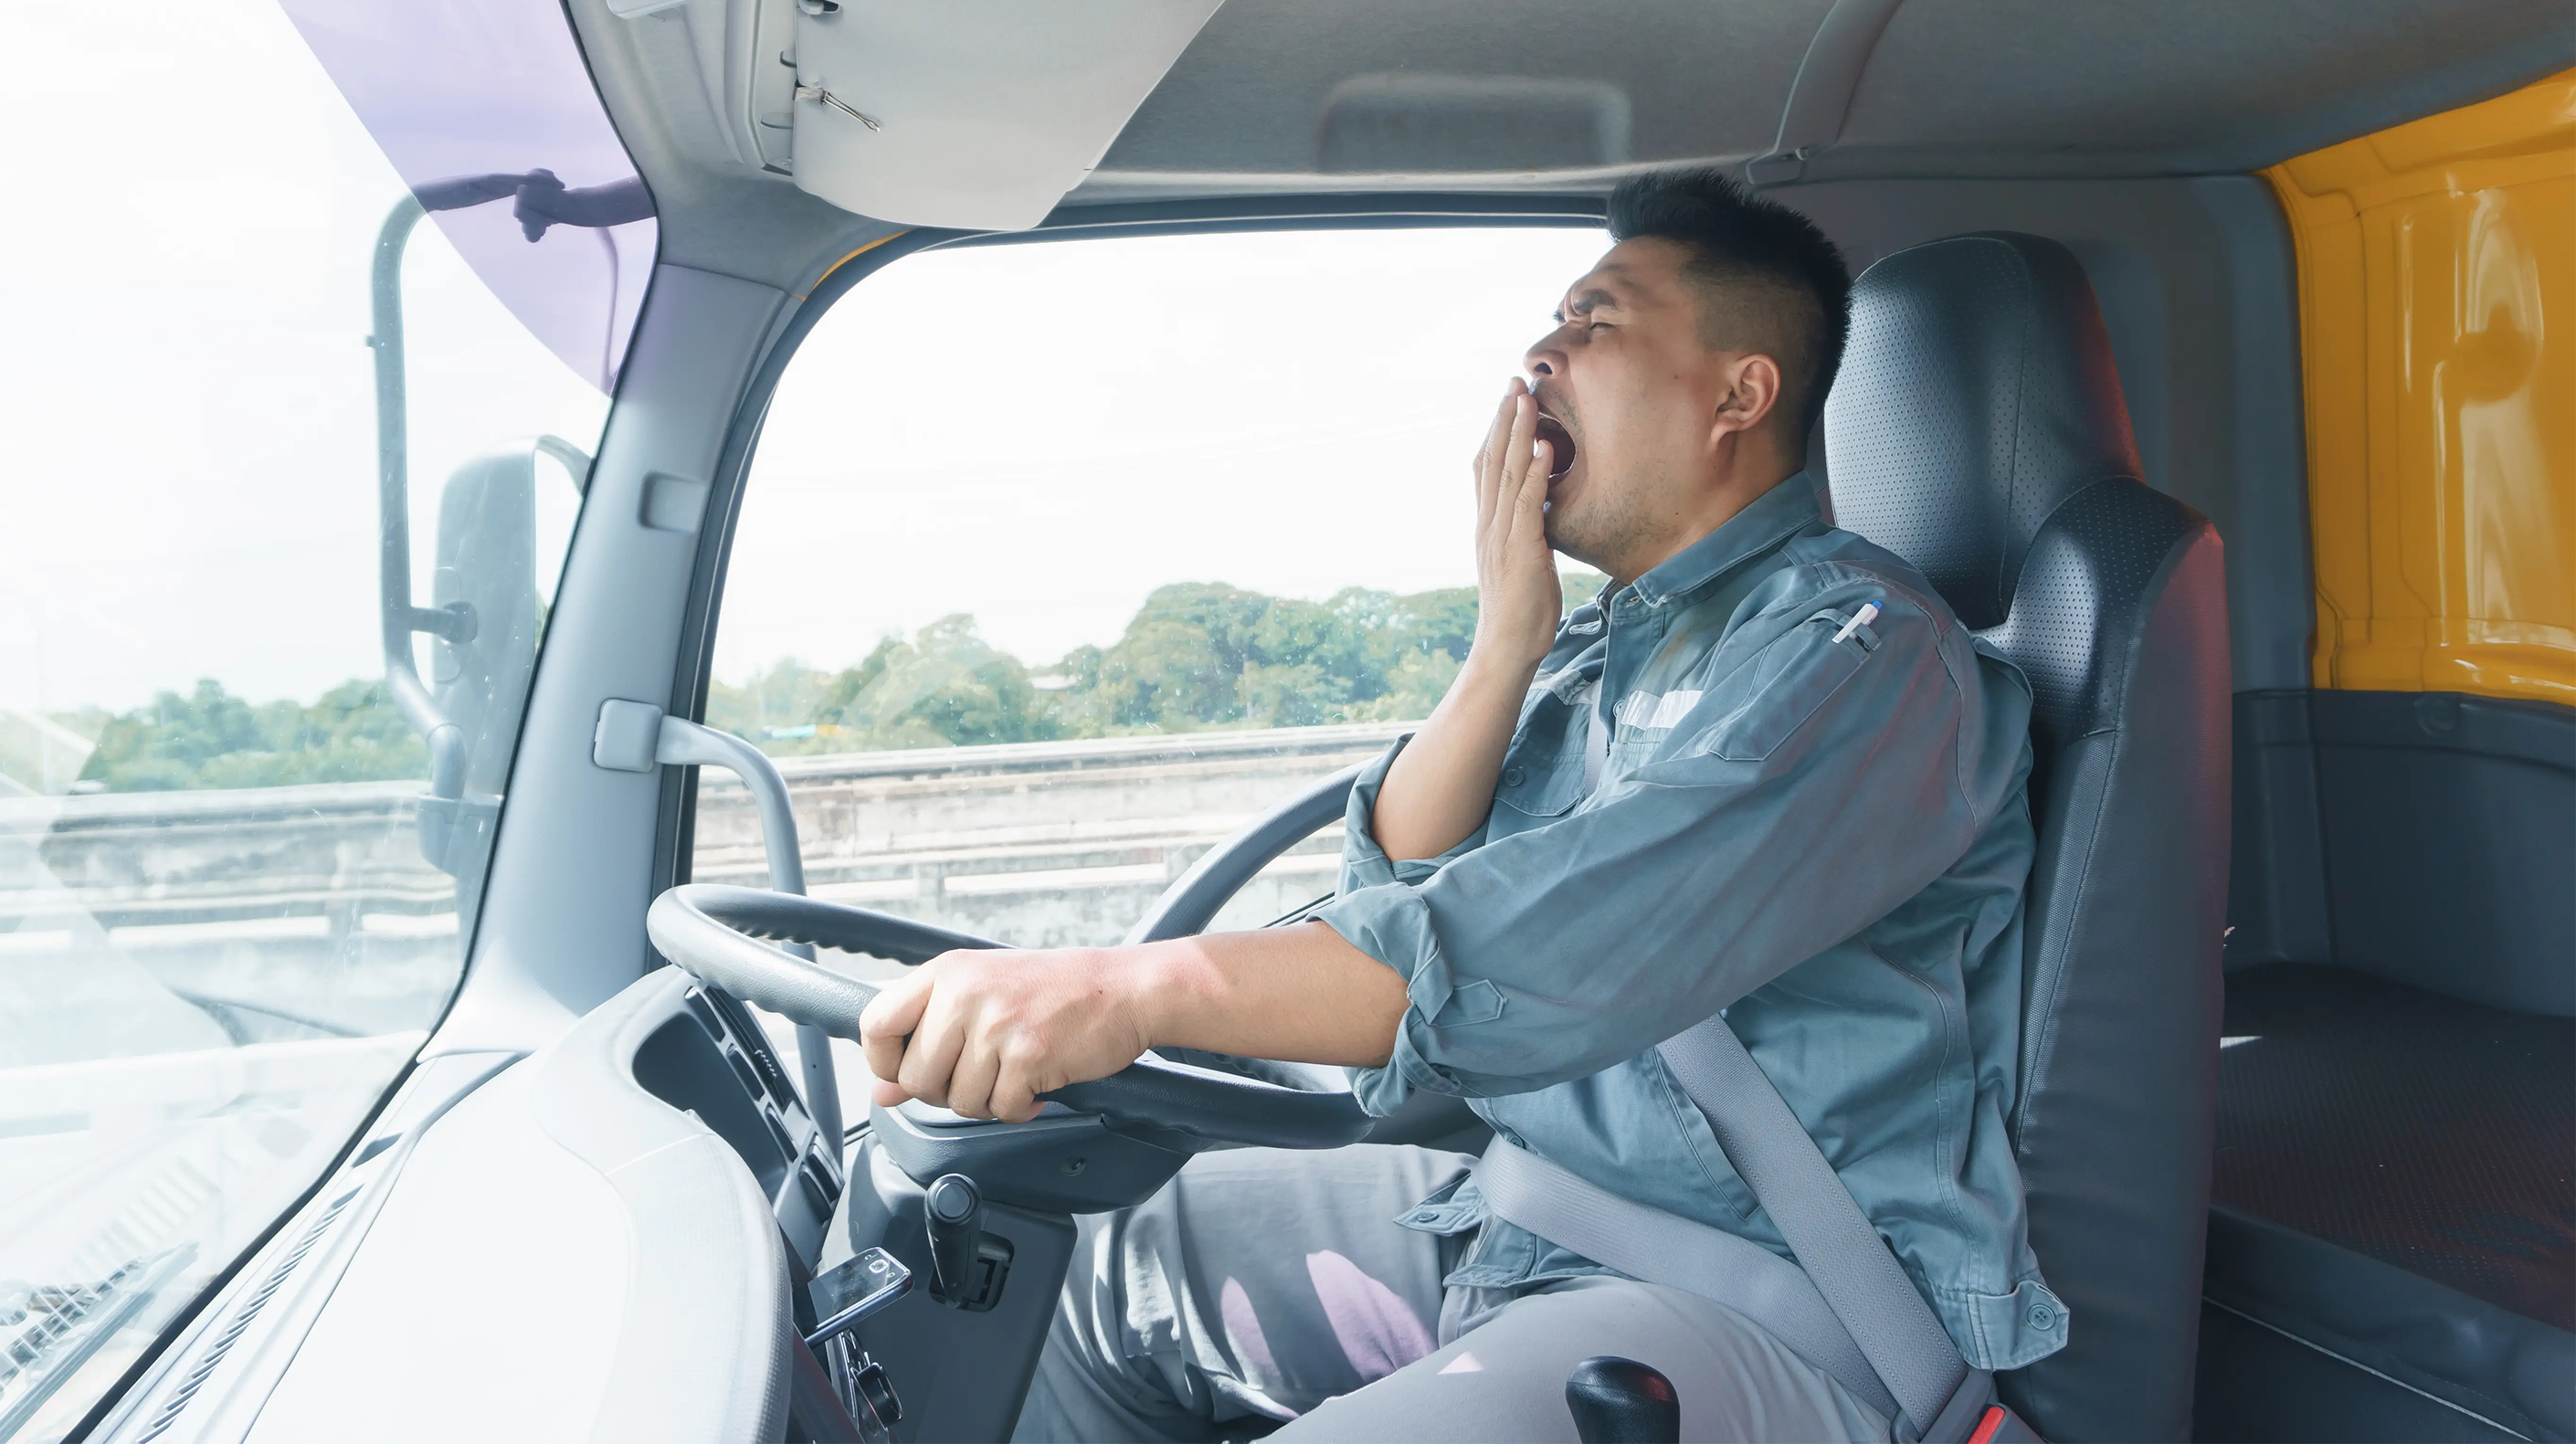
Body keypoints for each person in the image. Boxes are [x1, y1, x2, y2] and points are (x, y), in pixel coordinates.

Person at [856, 167, 2064, 1443]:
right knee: (1110, 1268)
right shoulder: (1603, 657)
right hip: (1523, 1220)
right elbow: (1394, 915)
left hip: (1766, 1305)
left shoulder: (1863, 659)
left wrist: (1125, 988)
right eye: (1548, 323)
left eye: (1594, 323)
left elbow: (1539, 949)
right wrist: (1503, 647)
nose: (1536, 358)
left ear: (1737, 393)